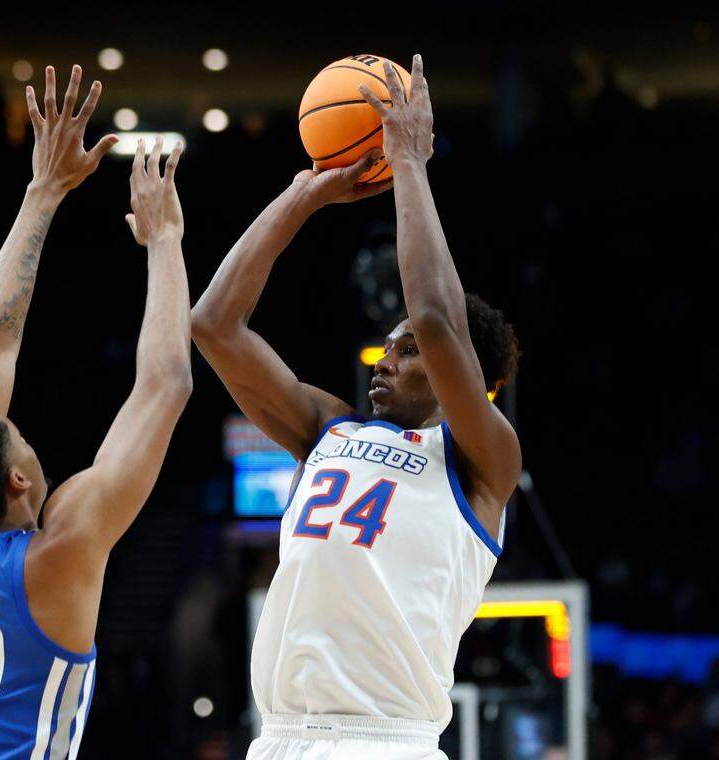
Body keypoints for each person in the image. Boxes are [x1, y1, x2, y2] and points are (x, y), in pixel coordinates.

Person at [192, 54, 520, 760]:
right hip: (279, 738)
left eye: (405, 354)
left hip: (384, 742)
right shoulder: (329, 431)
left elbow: (435, 317)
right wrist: (303, 195)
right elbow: (214, 324)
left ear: (465, 380)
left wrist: (408, 162)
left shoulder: (481, 462)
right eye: (386, 347)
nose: (386, 358)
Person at [0, 65, 191, 760]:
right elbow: (166, 385)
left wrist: (44, 189)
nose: (20, 428)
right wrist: (165, 242)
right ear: (19, 481)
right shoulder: (56, 555)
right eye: (18, 436)